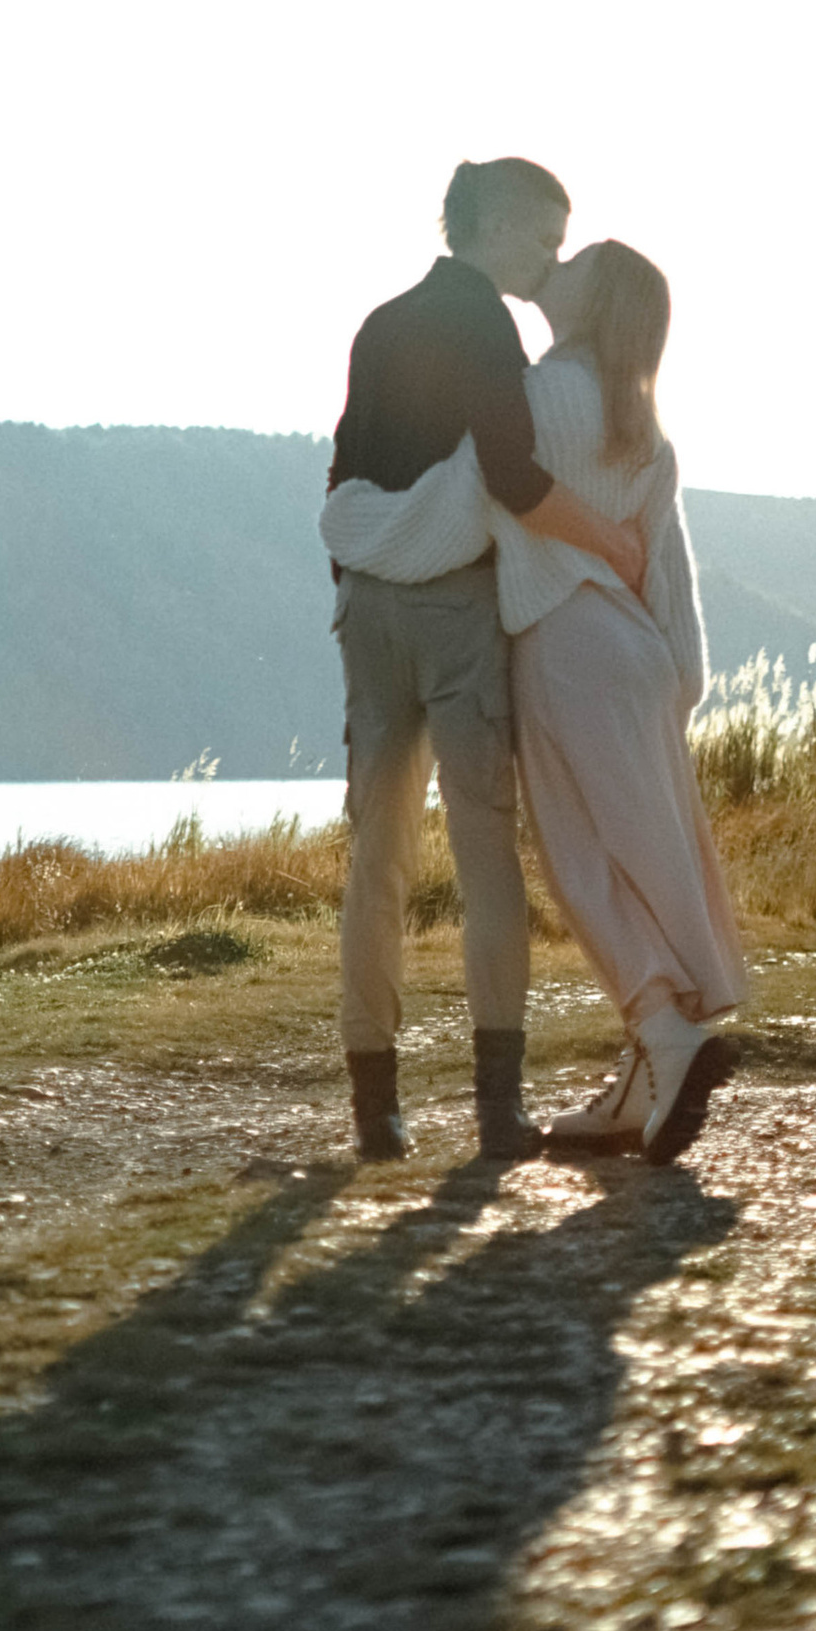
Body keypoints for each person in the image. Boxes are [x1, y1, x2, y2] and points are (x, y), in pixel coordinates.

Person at [318, 159, 650, 1162]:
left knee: (375, 855)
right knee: (483, 855)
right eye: (546, 236)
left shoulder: (379, 322)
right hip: (456, 613)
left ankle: (374, 1109)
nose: (552, 256)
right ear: (498, 223)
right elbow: (512, 475)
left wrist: (357, 576)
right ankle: (496, 1111)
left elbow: (342, 466)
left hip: (365, 610)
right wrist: (612, 540)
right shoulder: (486, 327)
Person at [493, 239, 746, 1164]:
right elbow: (669, 569)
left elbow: (483, 501)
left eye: (581, 261)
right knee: (649, 849)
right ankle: (645, 1081)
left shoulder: (532, 396)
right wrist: (678, 682)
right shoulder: (644, 424)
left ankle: (666, 1033)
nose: (559, 263)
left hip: (564, 637)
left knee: (581, 857)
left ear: (595, 300)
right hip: (637, 649)